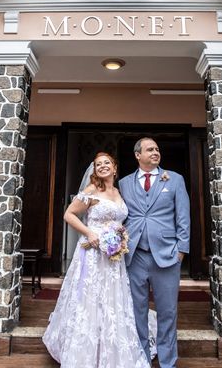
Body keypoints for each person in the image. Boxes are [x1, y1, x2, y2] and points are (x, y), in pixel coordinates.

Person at [42, 152, 149, 368]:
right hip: (92, 253)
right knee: (90, 299)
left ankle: (110, 349)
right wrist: (91, 233)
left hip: (113, 255)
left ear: (115, 168)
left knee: (111, 300)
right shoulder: (92, 191)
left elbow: (119, 220)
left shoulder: (118, 192)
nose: (102, 167)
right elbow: (69, 214)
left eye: (106, 163)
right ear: (94, 170)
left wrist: (120, 237)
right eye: (98, 164)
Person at [120, 137, 190, 368]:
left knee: (167, 312)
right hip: (135, 255)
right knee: (137, 311)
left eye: (157, 149)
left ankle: (168, 362)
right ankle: (142, 359)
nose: (155, 152)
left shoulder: (175, 179)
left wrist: (181, 250)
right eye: (150, 149)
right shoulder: (124, 183)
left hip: (168, 255)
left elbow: (183, 217)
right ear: (137, 155)